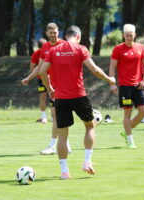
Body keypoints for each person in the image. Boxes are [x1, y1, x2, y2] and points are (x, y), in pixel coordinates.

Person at [40, 25, 115, 179]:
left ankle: (64, 171)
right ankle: (87, 162)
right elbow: (94, 70)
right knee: (89, 126)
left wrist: (50, 89)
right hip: (79, 96)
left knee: (62, 135)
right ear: (78, 36)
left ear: (65, 35)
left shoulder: (54, 50)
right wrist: (110, 80)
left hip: (60, 98)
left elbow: (41, 71)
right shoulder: (81, 49)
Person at [22, 22, 71, 155]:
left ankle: (54, 145)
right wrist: (29, 77)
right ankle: (64, 143)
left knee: (56, 114)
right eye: (51, 33)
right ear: (46, 33)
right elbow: (40, 66)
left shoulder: (64, 45)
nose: (53, 35)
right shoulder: (45, 47)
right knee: (57, 114)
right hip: (52, 85)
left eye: (55, 32)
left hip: (64, 85)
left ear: (58, 32)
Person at [109, 24, 144, 149]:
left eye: (131, 35)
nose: (129, 38)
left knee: (143, 112)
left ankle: (127, 131)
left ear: (135, 35)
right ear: (123, 36)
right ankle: (130, 141)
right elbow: (112, 67)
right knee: (127, 113)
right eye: (127, 36)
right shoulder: (118, 49)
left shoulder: (140, 48)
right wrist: (112, 83)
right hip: (125, 86)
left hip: (138, 85)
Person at [30, 38, 48, 123]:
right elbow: (32, 66)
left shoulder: (37, 53)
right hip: (46, 79)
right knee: (47, 96)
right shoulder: (37, 54)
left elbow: (32, 66)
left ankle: (48, 117)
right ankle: (48, 117)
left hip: (47, 79)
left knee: (47, 97)